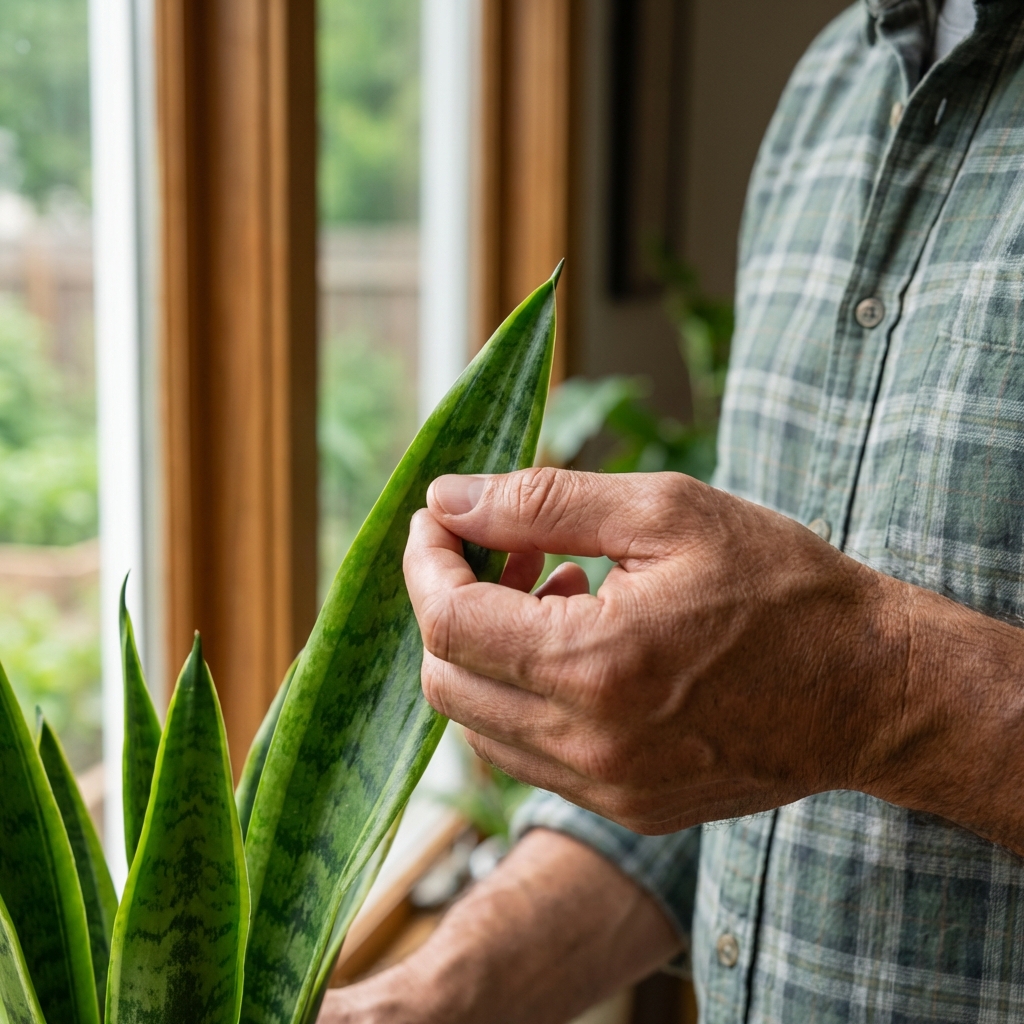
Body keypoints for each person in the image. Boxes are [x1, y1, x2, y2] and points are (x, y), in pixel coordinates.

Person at [320, 1, 1024, 1021]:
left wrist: (880, 689)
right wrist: (433, 992)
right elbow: (749, 747)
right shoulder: (832, 86)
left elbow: (821, 702)